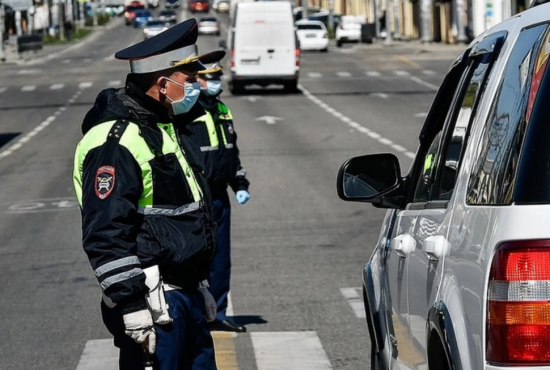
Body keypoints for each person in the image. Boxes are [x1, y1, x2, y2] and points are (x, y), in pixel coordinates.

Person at [73, 19, 220, 370]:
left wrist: (197, 284)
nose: (196, 84)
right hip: (154, 303)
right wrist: (130, 304)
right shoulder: (117, 141)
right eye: (188, 78)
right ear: (162, 82)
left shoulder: (166, 127)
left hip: (184, 297)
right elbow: (106, 232)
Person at [188, 51, 250, 333]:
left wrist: (240, 184)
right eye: (210, 78)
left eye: (217, 77)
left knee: (221, 259)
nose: (216, 82)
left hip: (220, 196)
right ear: (197, 80)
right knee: (197, 259)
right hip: (197, 197)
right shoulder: (188, 111)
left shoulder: (222, 110)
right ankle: (198, 314)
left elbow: (231, 152)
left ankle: (220, 313)